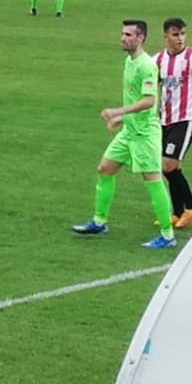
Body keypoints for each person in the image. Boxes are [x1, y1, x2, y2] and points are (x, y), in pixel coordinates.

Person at [72, 20, 176, 250]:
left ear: (140, 38)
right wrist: (121, 119)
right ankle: (99, 222)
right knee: (105, 169)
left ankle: (167, 235)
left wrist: (118, 111)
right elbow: (134, 97)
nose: (122, 38)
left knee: (153, 180)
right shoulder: (129, 61)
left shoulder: (147, 66)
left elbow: (149, 101)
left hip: (144, 134)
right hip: (129, 131)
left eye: (128, 34)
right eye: (122, 33)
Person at [154, 18, 192, 230]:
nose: (180, 39)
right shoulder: (158, 60)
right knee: (171, 168)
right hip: (164, 119)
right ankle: (177, 213)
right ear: (166, 36)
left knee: (167, 165)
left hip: (185, 119)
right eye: (176, 35)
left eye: (183, 34)